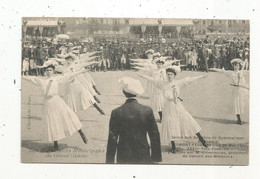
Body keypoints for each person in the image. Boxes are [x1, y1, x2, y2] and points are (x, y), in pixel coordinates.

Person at [139, 66, 208, 153]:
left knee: (187, 120)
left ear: (174, 75)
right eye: (168, 74)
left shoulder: (178, 83)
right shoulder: (162, 83)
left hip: (177, 105)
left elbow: (189, 79)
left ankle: (201, 139)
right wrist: (143, 76)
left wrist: (200, 77)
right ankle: (173, 146)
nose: (169, 76)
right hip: (168, 106)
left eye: (171, 74)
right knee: (170, 124)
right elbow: (153, 80)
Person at [22, 64, 88, 151]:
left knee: (68, 115)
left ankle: (81, 133)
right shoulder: (42, 81)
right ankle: (55, 143)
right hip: (48, 103)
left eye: (50, 70)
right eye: (47, 70)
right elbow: (31, 79)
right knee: (52, 122)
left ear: (53, 71)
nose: (49, 72)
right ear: (45, 72)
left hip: (56, 100)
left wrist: (81, 71)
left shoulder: (57, 79)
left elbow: (69, 75)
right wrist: (21, 76)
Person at [106, 77, 162, 164]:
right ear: (137, 93)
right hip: (143, 153)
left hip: (123, 154)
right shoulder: (147, 110)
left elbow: (112, 139)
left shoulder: (116, 112)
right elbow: (154, 135)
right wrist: (156, 158)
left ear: (124, 92)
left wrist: (109, 162)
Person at [210, 58, 249, 125]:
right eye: (234, 65)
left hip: (243, 90)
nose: (235, 67)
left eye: (237, 65)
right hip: (236, 91)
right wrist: (213, 69)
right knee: (236, 105)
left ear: (239, 66)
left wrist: (246, 62)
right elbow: (222, 71)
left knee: (247, 103)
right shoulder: (231, 73)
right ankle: (239, 119)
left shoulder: (242, 72)